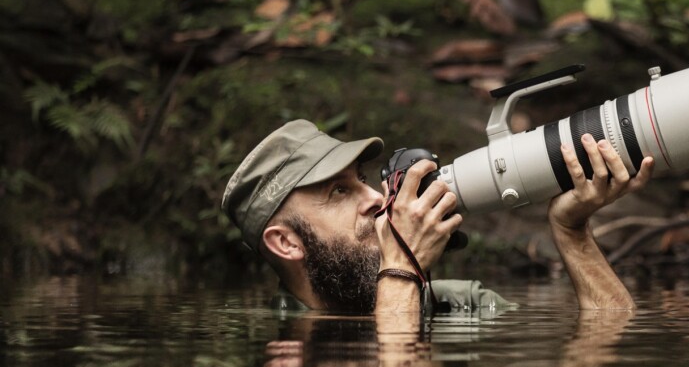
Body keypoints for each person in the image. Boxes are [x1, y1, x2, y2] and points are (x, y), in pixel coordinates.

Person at [220, 119, 654, 315]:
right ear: (286, 243)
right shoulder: (288, 343)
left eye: (363, 179)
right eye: (338, 192)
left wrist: (571, 231)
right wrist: (404, 266)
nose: (374, 197)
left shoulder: (454, 304)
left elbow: (611, 344)